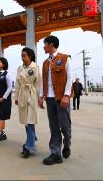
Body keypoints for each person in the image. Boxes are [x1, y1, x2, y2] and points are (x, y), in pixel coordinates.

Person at [40, 35, 72, 165]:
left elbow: (69, 77)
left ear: (51, 45)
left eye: (45, 44)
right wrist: (42, 96)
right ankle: (55, 153)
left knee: (64, 125)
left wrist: (66, 95)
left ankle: (67, 143)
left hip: (61, 97)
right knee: (53, 126)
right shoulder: (45, 63)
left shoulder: (65, 58)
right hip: (50, 98)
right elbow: (44, 81)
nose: (44, 46)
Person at [14, 47, 44, 158]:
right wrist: (16, 97)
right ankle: (32, 137)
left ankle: (29, 146)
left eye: (24, 55)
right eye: (21, 55)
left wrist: (39, 97)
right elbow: (17, 83)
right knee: (26, 119)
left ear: (30, 56)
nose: (22, 57)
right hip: (22, 94)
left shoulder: (35, 67)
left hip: (32, 95)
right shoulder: (20, 68)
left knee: (30, 120)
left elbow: (38, 83)